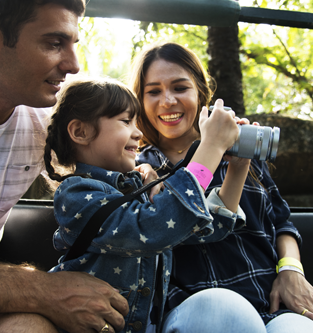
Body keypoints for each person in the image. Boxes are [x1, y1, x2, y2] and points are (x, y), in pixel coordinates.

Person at [43, 77, 261, 333]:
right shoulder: (76, 194)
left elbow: (206, 228)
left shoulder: (138, 189)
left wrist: (238, 166)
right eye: (126, 121)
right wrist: (209, 147)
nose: (138, 133)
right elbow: (153, 227)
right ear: (81, 132)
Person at [0, 1, 129, 332]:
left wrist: (210, 149)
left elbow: (126, 144)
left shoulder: (44, 123)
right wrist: (45, 290)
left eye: (73, 44)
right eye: (54, 43)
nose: (74, 65)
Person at [131, 42, 313, 332]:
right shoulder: (139, 169)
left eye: (180, 88)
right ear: (140, 100)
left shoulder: (245, 153)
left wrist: (291, 270)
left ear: (201, 93)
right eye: (153, 91)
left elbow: (281, 222)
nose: (167, 101)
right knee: (223, 309)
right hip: (194, 309)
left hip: (271, 304)